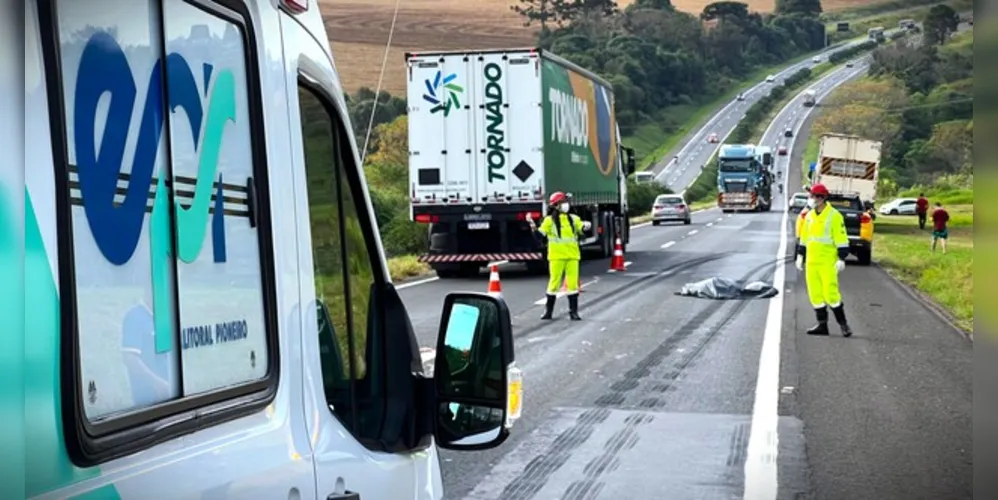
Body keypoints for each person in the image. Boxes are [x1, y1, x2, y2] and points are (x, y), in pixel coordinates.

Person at [795, 183, 853, 337]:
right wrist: (800, 255)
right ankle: (822, 325)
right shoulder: (809, 216)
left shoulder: (834, 216)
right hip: (812, 262)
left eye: (813, 196)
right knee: (815, 294)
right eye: (811, 196)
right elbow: (804, 237)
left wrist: (841, 258)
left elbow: (841, 238)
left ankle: (844, 325)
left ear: (821, 198)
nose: (811, 199)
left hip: (827, 262)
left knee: (831, 294)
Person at [528, 191, 591, 321]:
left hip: (572, 256)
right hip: (556, 257)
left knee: (573, 285)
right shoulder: (549, 221)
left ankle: (573, 312)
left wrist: (586, 226)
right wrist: (532, 225)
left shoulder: (574, 218)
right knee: (554, 284)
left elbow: (581, 228)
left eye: (566, 202)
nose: (566, 205)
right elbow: (539, 236)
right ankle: (548, 312)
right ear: (556, 205)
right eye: (563, 202)